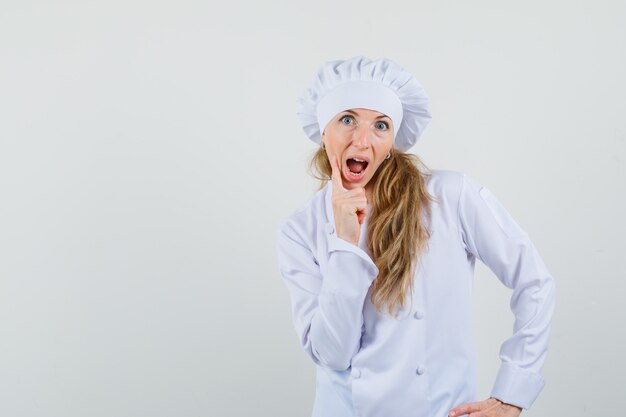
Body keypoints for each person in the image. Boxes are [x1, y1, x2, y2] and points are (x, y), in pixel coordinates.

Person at [276, 56, 555, 417]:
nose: (362, 139)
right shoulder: (300, 229)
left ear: (392, 141)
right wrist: (345, 246)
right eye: (347, 120)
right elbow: (334, 354)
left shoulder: (449, 196)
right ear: (323, 130)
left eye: (380, 125)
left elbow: (534, 281)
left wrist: (512, 393)